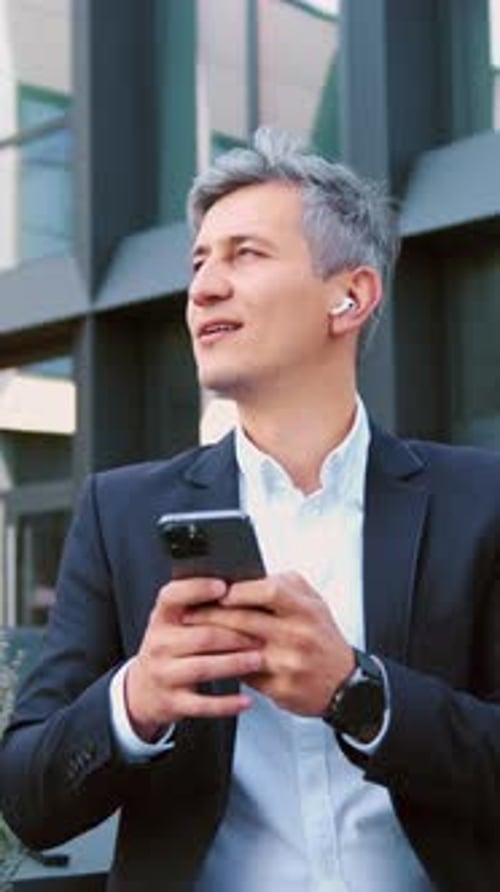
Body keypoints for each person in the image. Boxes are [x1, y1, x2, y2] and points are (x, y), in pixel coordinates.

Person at [1, 128, 500, 892]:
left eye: (244, 255)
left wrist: (360, 693)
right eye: (198, 262)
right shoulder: (122, 512)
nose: (202, 288)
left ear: (350, 296)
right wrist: (133, 703)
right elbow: (28, 799)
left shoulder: (481, 501)